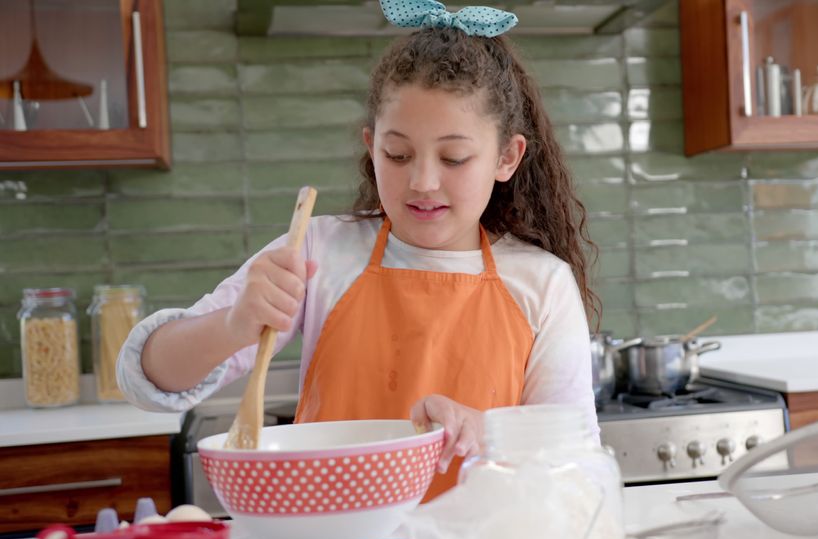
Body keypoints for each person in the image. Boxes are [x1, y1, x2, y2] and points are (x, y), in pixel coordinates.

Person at [117, 0, 601, 500]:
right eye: (398, 154)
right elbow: (145, 379)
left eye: (454, 157)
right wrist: (230, 325)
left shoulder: (542, 283)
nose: (423, 181)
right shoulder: (320, 251)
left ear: (507, 157)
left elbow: (577, 460)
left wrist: (487, 433)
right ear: (371, 148)